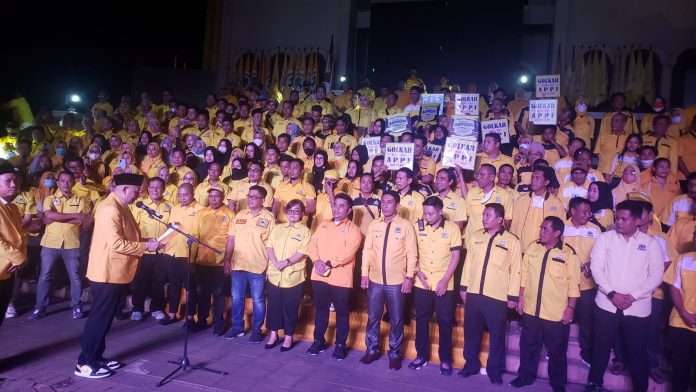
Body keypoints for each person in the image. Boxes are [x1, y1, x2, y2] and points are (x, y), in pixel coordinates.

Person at [76, 173, 161, 379]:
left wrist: (146, 240)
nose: (136, 196)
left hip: (115, 272)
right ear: (124, 189)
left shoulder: (120, 206)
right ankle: (85, 362)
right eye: (135, 192)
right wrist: (145, 246)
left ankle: (97, 356)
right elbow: (116, 244)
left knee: (105, 319)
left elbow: (126, 236)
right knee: (99, 318)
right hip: (106, 273)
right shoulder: (109, 209)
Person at [585, 200, 664, 392]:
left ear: (637, 220)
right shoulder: (605, 238)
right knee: (601, 347)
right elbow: (596, 268)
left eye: (624, 219)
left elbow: (656, 276)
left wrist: (632, 296)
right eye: (617, 217)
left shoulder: (650, 244)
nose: (618, 222)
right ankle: (594, 384)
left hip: (637, 308)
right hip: (606, 304)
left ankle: (640, 388)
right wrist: (612, 294)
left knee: (637, 352)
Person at [511, 217, 580, 391]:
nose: (541, 231)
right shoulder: (533, 247)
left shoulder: (568, 254)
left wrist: (571, 308)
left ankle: (558, 383)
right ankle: (525, 376)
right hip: (531, 310)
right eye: (541, 228)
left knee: (557, 351)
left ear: (557, 233)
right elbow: (524, 275)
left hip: (555, 313)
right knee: (528, 347)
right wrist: (521, 297)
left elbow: (573, 284)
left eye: (545, 229)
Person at [459, 203, 522, 384]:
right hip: (474, 294)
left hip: (497, 297)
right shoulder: (476, 236)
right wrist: (464, 287)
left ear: (500, 219)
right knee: (471, 332)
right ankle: (470, 365)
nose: (484, 218)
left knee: (497, 336)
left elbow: (516, 269)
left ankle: (494, 370)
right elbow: (468, 263)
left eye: (488, 215)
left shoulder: (512, 241)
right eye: (484, 215)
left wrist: (512, 296)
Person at [360, 190, 418, 370]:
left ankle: (394, 353)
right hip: (375, 280)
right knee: (373, 317)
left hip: (397, 282)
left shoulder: (406, 225)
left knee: (397, 319)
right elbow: (367, 250)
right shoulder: (374, 225)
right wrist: (364, 273)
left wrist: (409, 277)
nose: (384, 205)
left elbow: (412, 253)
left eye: (389, 202)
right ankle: (372, 349)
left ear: (397, 206)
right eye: (383, 202)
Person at [409, 196, 462, 374]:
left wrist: (445, 280)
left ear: (440, 212)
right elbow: (411, 251)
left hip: (444, 283)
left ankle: (445, 359)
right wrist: (417, 271)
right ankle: (421, 355)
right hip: (422, 282)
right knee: (422, 320)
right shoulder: (418, 226)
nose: (426, 216)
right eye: (424, 213)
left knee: (445, 322)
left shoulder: (452, 229)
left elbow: (455, 257)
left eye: (430, 213)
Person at [306, 193, 362, 360]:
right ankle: (318, 341)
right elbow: (312, 244)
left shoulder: (353, 229)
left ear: (349, 210)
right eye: (335, 204)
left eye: (341, 206)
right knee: (321, 310)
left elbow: (349, 253)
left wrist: (329, 264)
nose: (337, 208)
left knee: (342, 312)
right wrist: (316, 261)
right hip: (319, 275)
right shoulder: (323, 224)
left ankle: (340, 344)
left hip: (340, 278)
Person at [31, 171, 90, 320]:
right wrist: (74, 215)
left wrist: (57, 218)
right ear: (58, 183)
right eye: (62, 181)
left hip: (71, 243)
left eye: (69, 181)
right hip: (50, 242)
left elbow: (81, 221)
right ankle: (40, 307)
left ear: (74, 183)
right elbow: (49, 215)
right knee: (45, 275)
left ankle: (76, 307)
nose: (66, 184)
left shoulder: (80, 199)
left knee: (75, 277)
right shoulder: (49, 199)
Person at [223, 185, 275, 342]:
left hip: (257, 266)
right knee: (237, 297)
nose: (250, 199)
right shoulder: (240, 214)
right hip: (238, 265)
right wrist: (227, 259)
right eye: (249, 196)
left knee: (258, 299)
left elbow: (271, 245)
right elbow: (231, 239)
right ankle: (238, 327)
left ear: (263, 200)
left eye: (254, 197)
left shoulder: (269, 217)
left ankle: (256, 330)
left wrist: (269, 268)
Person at [264, 199, 311, 351]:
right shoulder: (278, 228)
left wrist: (286, 262)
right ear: (285, 213)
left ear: (302, 214)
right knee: (273, 306)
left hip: (293, 275)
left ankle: (289, 336)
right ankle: (273, 334)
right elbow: (269, 246)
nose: (293, 214)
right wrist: (276, 262)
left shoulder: (305, 231)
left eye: (297, 211)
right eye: (290, 211)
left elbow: (303, 251)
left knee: (290, 307)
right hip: (275, 273)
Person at [563, 197, 602, 366]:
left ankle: (587, 353)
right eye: (584, 211)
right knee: (561, 319)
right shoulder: (562, 228)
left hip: (587, 285)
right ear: (573, 211)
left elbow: (602, 255)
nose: (588, 214)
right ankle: (556, 351)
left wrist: (591, 264)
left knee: (587, 321)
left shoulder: (595, 230)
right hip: (564, 284)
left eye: (589, 211)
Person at [160, 183, 203, 326]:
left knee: (190, 287)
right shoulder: (175, 208)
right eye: (180, 195)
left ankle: (190, 317)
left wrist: (193, 258)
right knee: (174, 285)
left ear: (193, 194)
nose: (183, 198)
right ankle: (173, 314)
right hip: (171, 252)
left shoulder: (200, 210)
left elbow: (199, 235)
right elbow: (171, 229)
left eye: (186, 195)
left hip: (187, 254)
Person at [130, 177, 172, 322]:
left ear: (164, 189)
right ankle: (137, 308)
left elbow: (172, 228)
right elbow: (133, 228)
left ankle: (156, 308)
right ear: (148, 189)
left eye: (158, 187)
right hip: (144, 250)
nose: (155, 190)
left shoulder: (170, 206)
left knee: (159, 281)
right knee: (141, 280)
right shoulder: (140, 206)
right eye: (152, 187)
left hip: (162, 250)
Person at [662, 231, 696, 392]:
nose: (694, 237)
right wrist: (683, 313)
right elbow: (674, 288)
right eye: (695, 234)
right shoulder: (683, 259)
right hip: (680, 322)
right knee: (679, 369)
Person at [510, 166, 565, 252]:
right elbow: (514, 226)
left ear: (546, 182)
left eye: (537, 178)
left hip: (542, 252)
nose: (533, 181)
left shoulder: (556, 204)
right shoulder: (521, 200)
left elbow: (560, 231)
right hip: (520, 250)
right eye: (532, 177)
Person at [0, 160, 27, 327]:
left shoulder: (14, 208)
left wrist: (19, 259)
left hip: (8, 271)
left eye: (15, 180)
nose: (13, 184)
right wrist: (20, 258)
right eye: (7, 181)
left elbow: (20, 235)